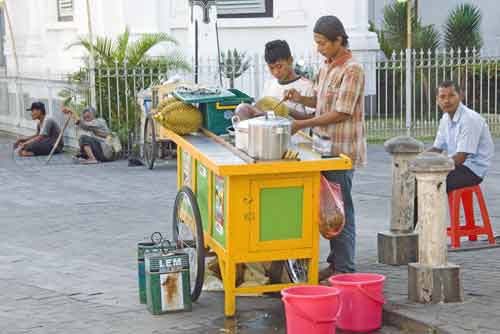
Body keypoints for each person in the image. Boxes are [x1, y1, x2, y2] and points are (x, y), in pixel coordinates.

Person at [284, 15, 367, 279]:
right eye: (317, 43)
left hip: (341, 151)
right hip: (323, 149)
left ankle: (345, 269)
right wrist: (300, 99)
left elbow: (340, 112)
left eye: (322, 43)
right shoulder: (326, 67)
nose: (319, 48)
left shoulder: (352, 70)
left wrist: (303, 123)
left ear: (338, 40)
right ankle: (335, 262)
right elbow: (321, 101)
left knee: (342, 212)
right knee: (328, 210)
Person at [429, 80, 494, 192]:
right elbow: (437, 148)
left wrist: (435, 167)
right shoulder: (445, 119)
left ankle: (426, 210)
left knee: (431, 183)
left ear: (460, 96)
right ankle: (419, 210)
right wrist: (419, 161)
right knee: (417, 178)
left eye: (451, 96)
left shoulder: (469, 119)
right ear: (437, 100)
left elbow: (460, 158)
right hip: (456, 166)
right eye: (442, 97)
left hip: (473, 170)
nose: (447, 100)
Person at [234, 40, 315, 121]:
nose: (276, 72)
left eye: (279, 66)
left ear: (290, 60)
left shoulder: (306, 86)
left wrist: (286, 110)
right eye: (271, 68)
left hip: (295, 133)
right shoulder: (269, 84)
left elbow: (313, 119)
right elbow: (263, 112)